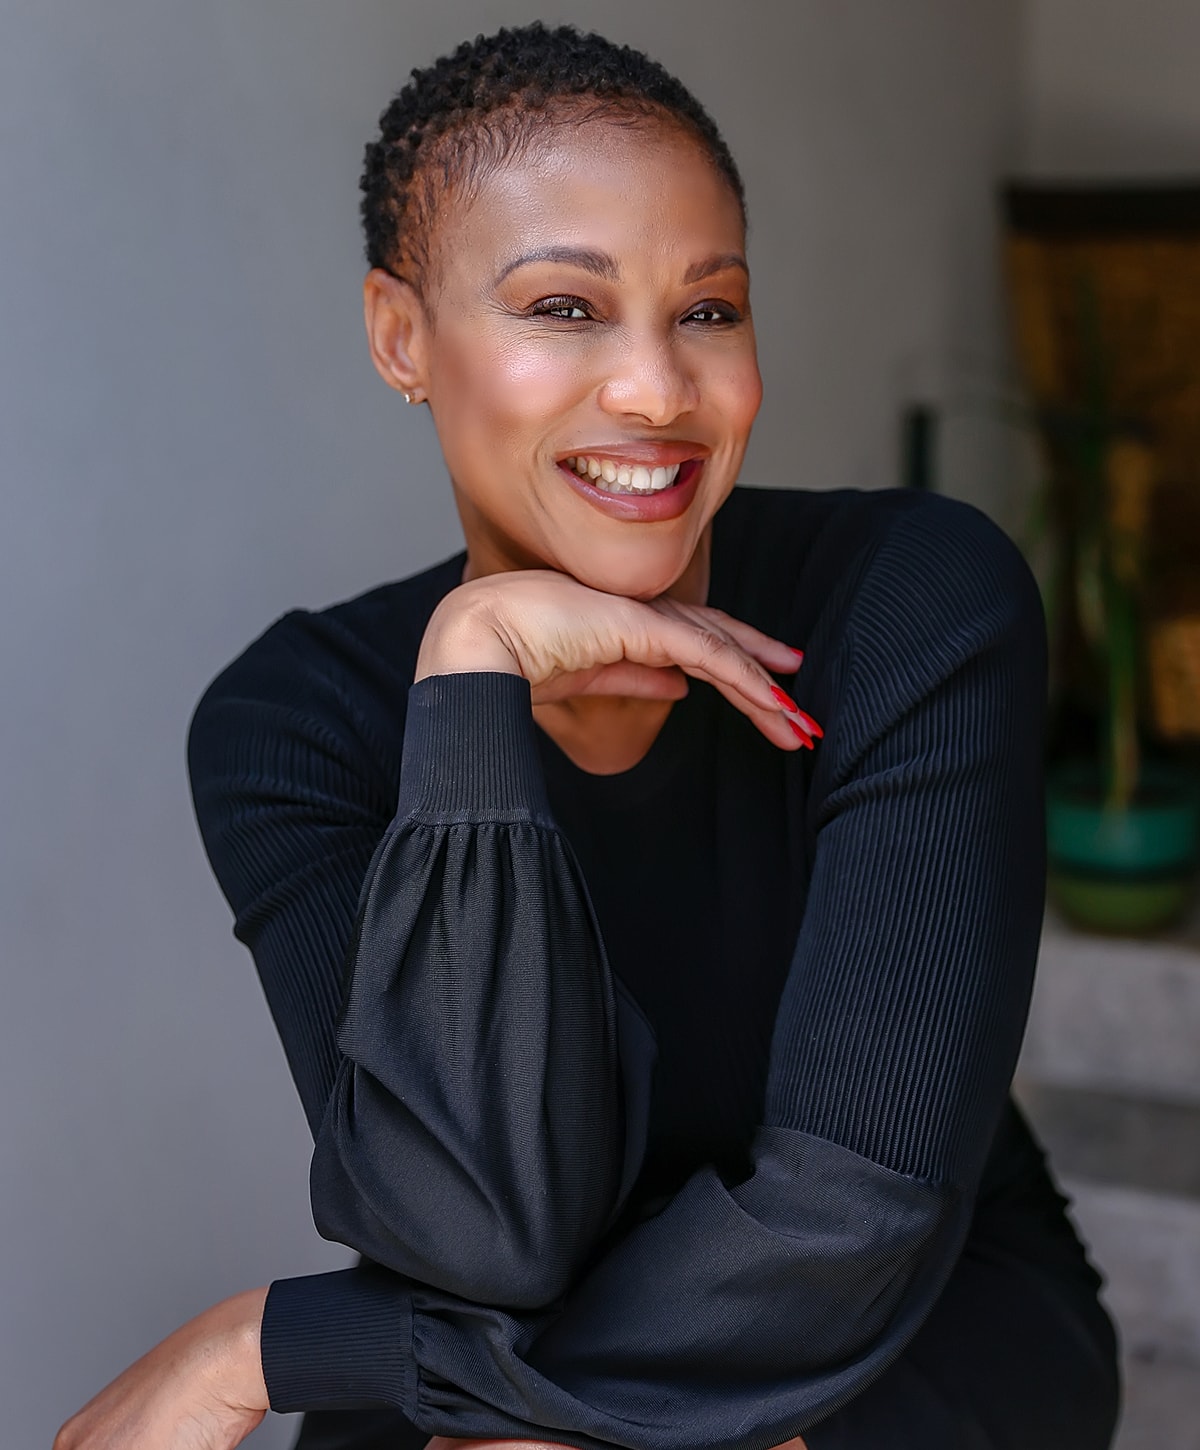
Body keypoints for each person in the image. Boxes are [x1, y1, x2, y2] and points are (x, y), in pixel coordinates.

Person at [55, 22, 1120, 1450]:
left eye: (709, 311)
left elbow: (851, 1223)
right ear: (400, 336)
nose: (658, 390)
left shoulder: (914, 601)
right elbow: (479, 1235)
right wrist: (473, 678)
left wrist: (273, 1344)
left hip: (905, 1333)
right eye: (566, 307)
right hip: (500, 1335)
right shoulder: (295, 723)